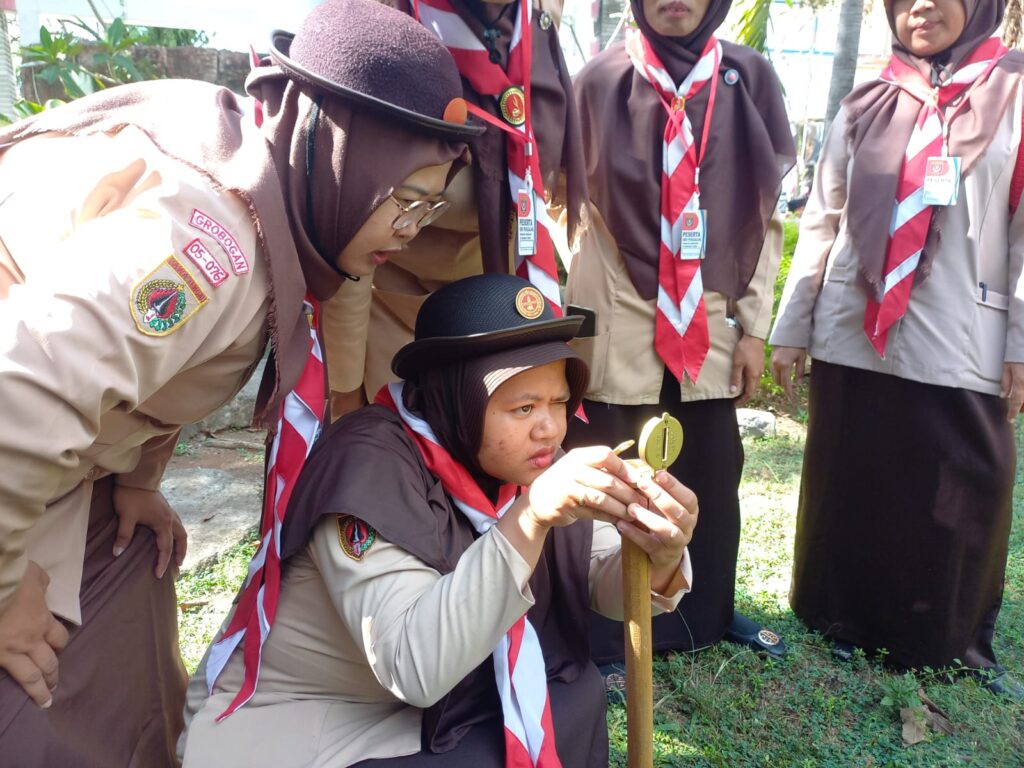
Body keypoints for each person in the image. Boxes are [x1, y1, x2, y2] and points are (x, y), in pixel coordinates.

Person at [0, 0, 480, 763]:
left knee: (129, 613)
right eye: (403, 199)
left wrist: (136, 479)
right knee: (28, 707)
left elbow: (144, 366)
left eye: (429, 206)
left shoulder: (256, 174)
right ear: (341, 156)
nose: (410, 230)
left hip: (62, 461)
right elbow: (19, 388)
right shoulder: (209, 244)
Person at [179, 273, 696, 766]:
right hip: (331, 721)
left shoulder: (523, 459)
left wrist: (659, 554)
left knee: (572, 693)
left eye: (559, 402)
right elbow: (413, 665)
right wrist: (529, 519)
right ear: (457, 400)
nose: (549, 428)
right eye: (522, 408)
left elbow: (601, 577)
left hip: (449, 698)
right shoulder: (368, 467)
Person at [771, 0, 1024, 696]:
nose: (921, 7)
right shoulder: (866, 100)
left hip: (960, 332)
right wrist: (792, 329)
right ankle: (835, 616)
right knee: (854, 480)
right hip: (852, 329)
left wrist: (1021, 344)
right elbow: (821, 218)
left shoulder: (1016, 90)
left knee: (966, 480)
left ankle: (945, 640)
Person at [563, 0, 795, 670]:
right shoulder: (597, 80)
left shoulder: (747, 77)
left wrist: (752, 328)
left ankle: (707, 613)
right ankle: (604, 627)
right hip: (619, 318)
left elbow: (763, 214)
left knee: (712, 473)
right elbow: (557, 197)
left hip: (709, 320)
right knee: (613, 467)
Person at [323, 0, 588, 416]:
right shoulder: (386, 28)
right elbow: (352, 231)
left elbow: (556, 194)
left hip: (501, 316)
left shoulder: (534, 33)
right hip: (389, 315)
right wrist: (343, 388)